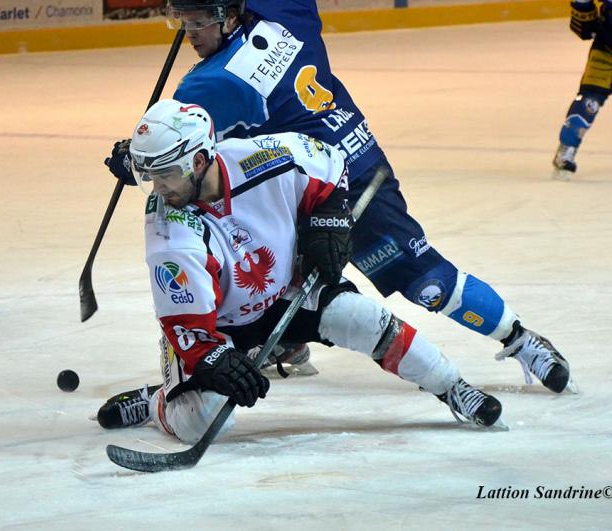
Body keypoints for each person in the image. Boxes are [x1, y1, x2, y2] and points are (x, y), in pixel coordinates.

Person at [105, 0, 572, 395]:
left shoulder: (208, 85)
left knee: (424, 279)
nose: (189, 33)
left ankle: (519, 336)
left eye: (198, 21)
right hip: (314, 177)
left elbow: (177, 147)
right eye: (181, 21)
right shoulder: (284, 9)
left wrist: (132, 159)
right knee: (250, 257)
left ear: (230, 15)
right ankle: (284, 339)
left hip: (342, 181)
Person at [97, 99, 505, 442]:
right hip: (218, 325)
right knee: (205, 421)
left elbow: (330, 162)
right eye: (150, 177)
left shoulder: (265, 157)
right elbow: (187, 324)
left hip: (286, 291)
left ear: (201, 159)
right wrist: (215, 360)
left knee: (365, 318)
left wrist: (328, 219)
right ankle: (158, 403)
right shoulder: (170, 233)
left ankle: (453, 387)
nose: (159, 189)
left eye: (166, 175)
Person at [553, 0, 612, 179]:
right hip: (606, 51)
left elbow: (585, 28)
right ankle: (566, 150)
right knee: (589, 101)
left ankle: (566, 151)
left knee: (589, 101)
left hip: (605, 50)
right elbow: (585, 28)